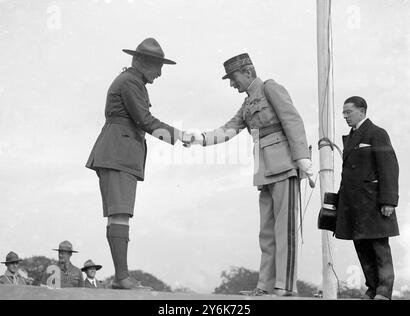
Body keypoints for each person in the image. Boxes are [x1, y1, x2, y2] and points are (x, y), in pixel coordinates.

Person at [187, 53, 313, 296]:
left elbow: (292, 120)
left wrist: (302, 158)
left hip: (285, 166)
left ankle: (285, 287)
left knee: (283, 230)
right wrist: (200, 139)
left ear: (248, 72)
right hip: (263, 170)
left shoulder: (270, 88)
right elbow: (228, 129)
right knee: (266, 232)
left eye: (233, 79)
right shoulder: (246, 104)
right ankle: (265, 287)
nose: (232, 85)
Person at [86, 38, 189, 290]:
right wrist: (180, 136)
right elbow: (145, 119)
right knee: (120, 214)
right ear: (143, 62)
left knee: (118, 215)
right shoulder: (131, 82)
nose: (160, 73)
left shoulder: (132, 81)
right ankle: (122, 278)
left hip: (118, 153)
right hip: (118, 153)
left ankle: (122, 276)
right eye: (158, 66)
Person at [336, 96, 399, 300]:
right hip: (354, 204)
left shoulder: (377, 133)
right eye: (344, 112)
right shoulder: (352, 136)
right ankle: (372, 288)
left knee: (379, 248)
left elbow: (389, 167)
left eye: (349, 112)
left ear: (362, 111)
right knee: (362, 247)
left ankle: (383, 291)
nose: (345, 116)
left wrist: (388, 200)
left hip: (373, 203)